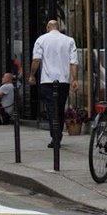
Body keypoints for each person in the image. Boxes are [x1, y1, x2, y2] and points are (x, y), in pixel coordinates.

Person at [29, 19, 78, 149]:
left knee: (51, 109)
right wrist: (74, 79)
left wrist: (32, 75)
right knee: (60, 108)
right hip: (63, 81)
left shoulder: (41, 40)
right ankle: (57, 135)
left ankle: (55, 137)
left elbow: (36, 60)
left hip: (48, 80)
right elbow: (73, 62)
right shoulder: (69, 40)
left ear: (47, 27)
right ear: (59, 27)